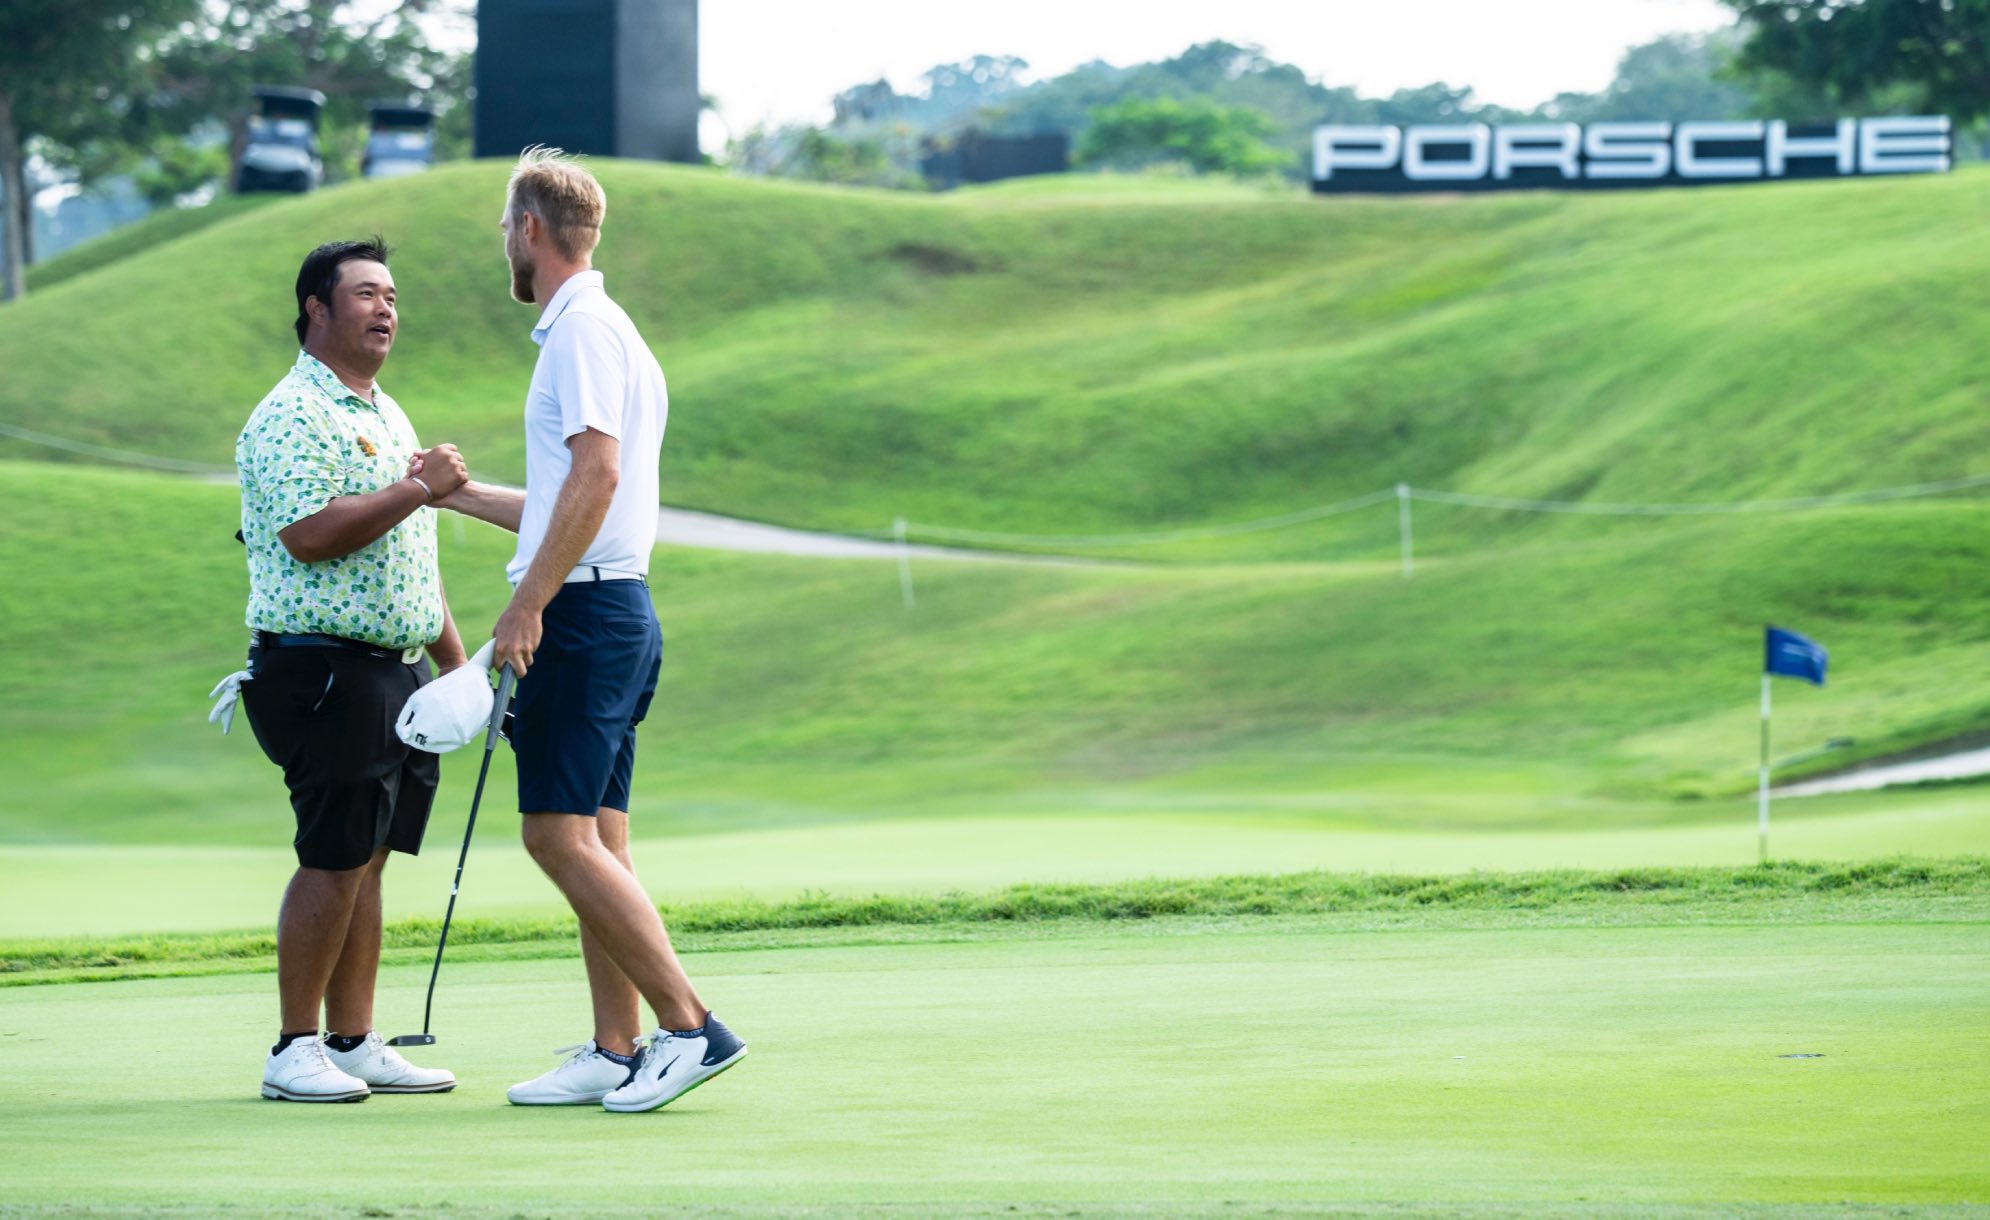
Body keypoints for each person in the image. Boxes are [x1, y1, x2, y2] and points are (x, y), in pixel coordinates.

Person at [429, 148, 745, 1112]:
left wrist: (526, 605)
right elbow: (576, 495)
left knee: (554, 837)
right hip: (606, 606)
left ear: (530, 229)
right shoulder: (605, 329)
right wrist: (461, 495)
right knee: (599, 836)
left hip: (584, 615)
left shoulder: (581, 332)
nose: (504, 249)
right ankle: (617, 1049)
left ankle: (692, 1029)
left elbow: (596, 478)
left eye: (503, 231)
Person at [236, 237, 469, 1103]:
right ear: (315, 310)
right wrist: (418, 488)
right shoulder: (292, 413)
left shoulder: (383, 412)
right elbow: (311, 534)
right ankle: (293, 1047)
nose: (386, 310)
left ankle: (354, 1038)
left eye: (393, 297)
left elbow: (412, 561)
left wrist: (457, 668)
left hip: (396, 673)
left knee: (369, 858)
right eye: (367, 294)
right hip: (324, 671)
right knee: (333, 857)